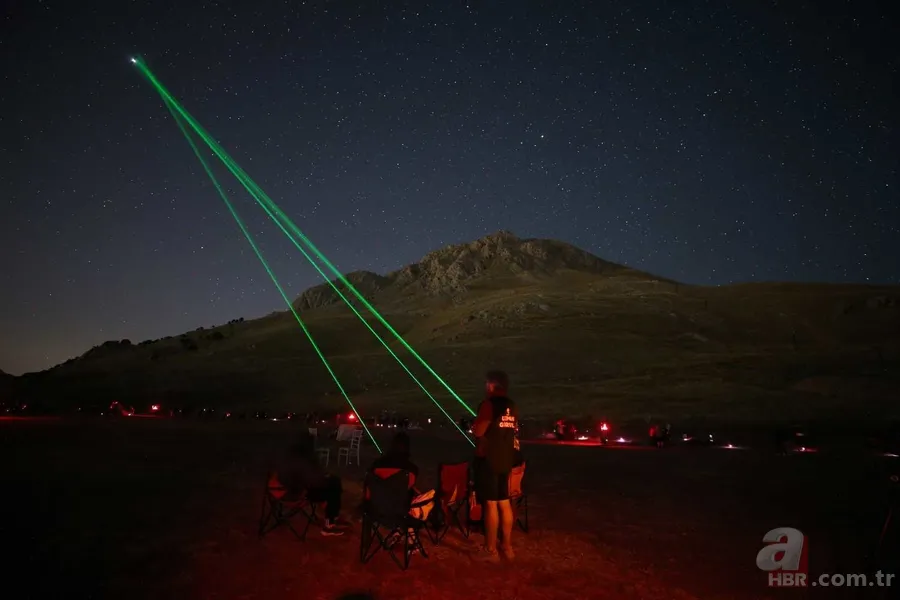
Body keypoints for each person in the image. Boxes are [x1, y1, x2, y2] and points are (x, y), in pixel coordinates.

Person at [472, 369, 520, 561]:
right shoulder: (512, 405)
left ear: (492, 385)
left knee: (491, 504)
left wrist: (478, 429)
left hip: (490, 460)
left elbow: (479, 431)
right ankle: (507, 547)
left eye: (486, 384)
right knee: (504, 502)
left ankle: (490, 550)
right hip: (506, 460)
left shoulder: (488, 405)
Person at [277, 432, 345, 536]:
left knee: (334, 483)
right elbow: (313, 481)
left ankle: (333, 517)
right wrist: (323, 476)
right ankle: (329, 525)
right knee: (333, 489)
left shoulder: (287, 457)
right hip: (297, 494)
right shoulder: (303, 460)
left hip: (280, 491)